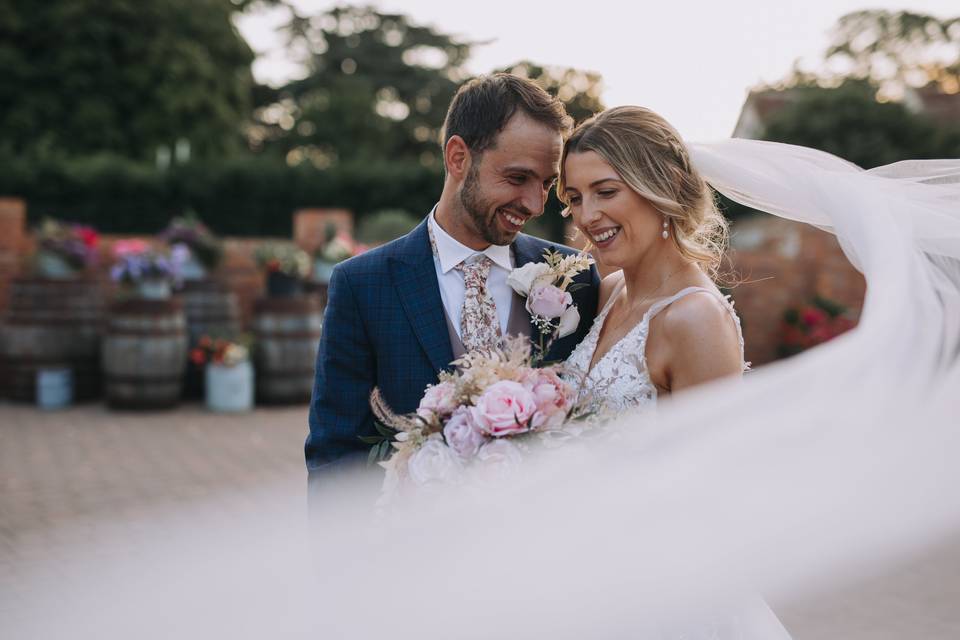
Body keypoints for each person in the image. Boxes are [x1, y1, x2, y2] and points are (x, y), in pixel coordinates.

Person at [305, 74, 601, 484]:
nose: (534, 204)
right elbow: (335, 457)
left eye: (547, 184)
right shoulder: (362, 285)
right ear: (458, 158)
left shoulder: (577, 279)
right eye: (517, 178)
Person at [560, 105, 746, 417]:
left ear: (666, 185)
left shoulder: (697, 319)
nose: (586, 217)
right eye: (575, 198)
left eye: (605, 192)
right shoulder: (609, 291)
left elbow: (712, 461)